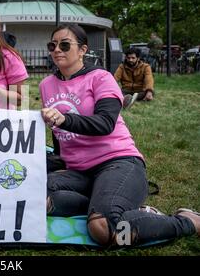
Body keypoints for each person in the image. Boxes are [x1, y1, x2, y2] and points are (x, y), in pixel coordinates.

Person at [40, 24, 199, 247]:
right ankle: (106, 203)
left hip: (118, 163)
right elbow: (59, 135)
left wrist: (64, 118)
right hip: (79, 172)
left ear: (83, 49)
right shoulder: (46, 85)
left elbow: (105, 123)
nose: (57, 50)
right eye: (52, 45)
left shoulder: (101, 77)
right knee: (31, 192)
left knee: (105, 229)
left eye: (65, 45)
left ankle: (186, 222)